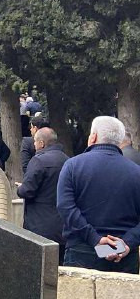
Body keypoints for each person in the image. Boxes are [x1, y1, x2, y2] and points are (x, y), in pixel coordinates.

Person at [57, 116, 140, 273]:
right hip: (123, 254)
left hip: (82, 250)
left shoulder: (72, 166)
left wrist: (94, 238)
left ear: (93, 136)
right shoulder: (136, 172)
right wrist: (128, 242)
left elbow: (65, 207)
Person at [17, 127, 69, 264]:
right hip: (62, 226)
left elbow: (27, 191)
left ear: (41, 143)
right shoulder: (67, 160)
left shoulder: (38, 161)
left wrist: (20, 188)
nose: (34, 145)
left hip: (39, 225)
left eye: (35, 141)